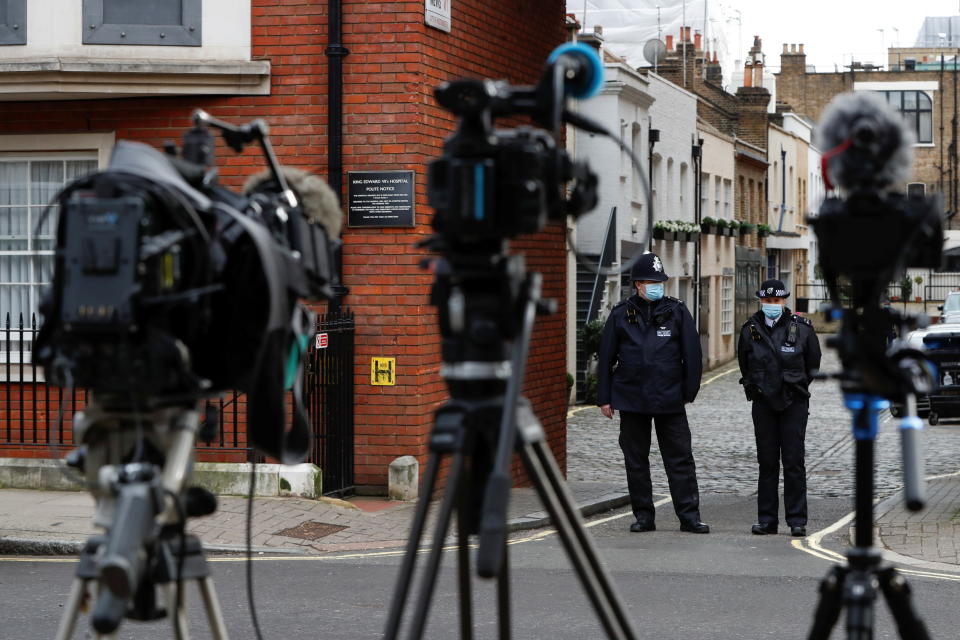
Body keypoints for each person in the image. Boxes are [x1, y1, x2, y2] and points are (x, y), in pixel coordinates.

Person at [597, 252, 708, 534]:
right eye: (650, 281)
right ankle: (644, 516)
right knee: (636, 460)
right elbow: (607, 356)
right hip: (632, 398)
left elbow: (692, 355)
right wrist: (605, 398)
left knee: (680, 459)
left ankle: (689, 516)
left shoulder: (677, 311)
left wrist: (689, 391)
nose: (656, 286)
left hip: (670, 397)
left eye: (659, 281)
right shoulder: (621, 314)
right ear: (637, 284)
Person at [738, 279, 821, 537]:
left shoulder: (802, 328)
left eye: (776, 301)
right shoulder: (750, 329)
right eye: (767, 301)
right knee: (767, 462)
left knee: (794, 461)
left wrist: (794, 385)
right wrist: (759, 385)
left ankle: (797, 520)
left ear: (784, 301)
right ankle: (767, 520)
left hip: (793, 401)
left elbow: (813, 364)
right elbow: (745, 363)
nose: (771, 305)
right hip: (764, 402)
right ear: (761, 301)